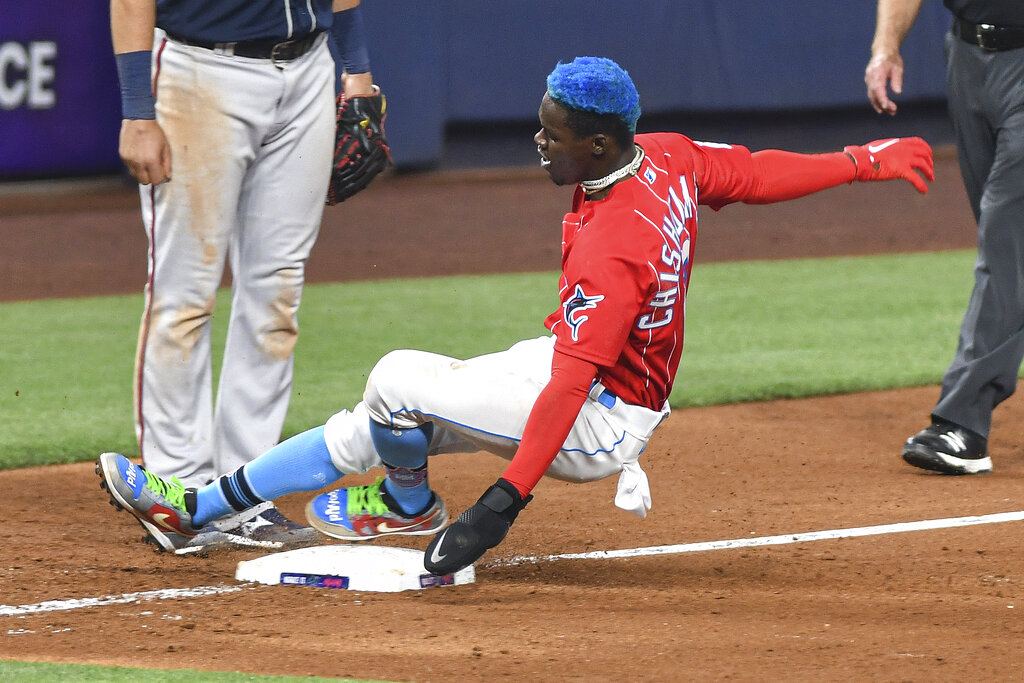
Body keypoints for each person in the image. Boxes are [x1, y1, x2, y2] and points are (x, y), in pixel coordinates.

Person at [97, 56, 933, 574]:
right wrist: (864, 160)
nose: (540, 143)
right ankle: (197, 509)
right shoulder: (665, 158)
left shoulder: (616, 244)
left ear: (598, 145)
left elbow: (569, 384)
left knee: (395, 378)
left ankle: (409, 501)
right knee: (375, 420)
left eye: (552, 134)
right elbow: (753, 171)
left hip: (598, 416)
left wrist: (500, 505)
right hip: (589, 371)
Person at [111, 0, 382, 552]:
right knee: (184, 294)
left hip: (309, 70)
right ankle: (177, 489)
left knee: (277, 295)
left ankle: (241, 491)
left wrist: (356, 67)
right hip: (200, 72)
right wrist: (138, 110)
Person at [865, 1, 1024, 475]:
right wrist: (885, 46)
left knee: (1005, 238)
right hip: (968, 59)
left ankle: (962, 420)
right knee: (1011, 247)